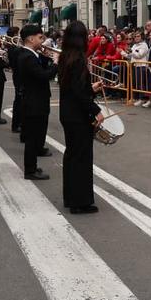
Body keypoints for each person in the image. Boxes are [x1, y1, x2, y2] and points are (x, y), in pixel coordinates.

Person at [58, 20, 105, 214]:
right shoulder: (78, 59)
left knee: (71, 156)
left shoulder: (65, 57)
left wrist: (91, 88)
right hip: (77, 116)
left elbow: (73, 88)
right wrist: (96, 110)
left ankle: (71, 198)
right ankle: (80, 202)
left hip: (67, 113)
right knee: (81, 158)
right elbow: (78, 91)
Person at [15, 24, 58, 180]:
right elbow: (43, 76)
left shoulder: (30, 55)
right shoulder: (27, 56)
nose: (43, 41)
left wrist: (46, 58)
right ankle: (30, 170)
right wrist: (56, 63)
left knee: (35, 135)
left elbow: (39, 71)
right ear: (30, 38)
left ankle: (32, 167)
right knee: (32, 138)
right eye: (40, 38)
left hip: (35, 99)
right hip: (34, 101)